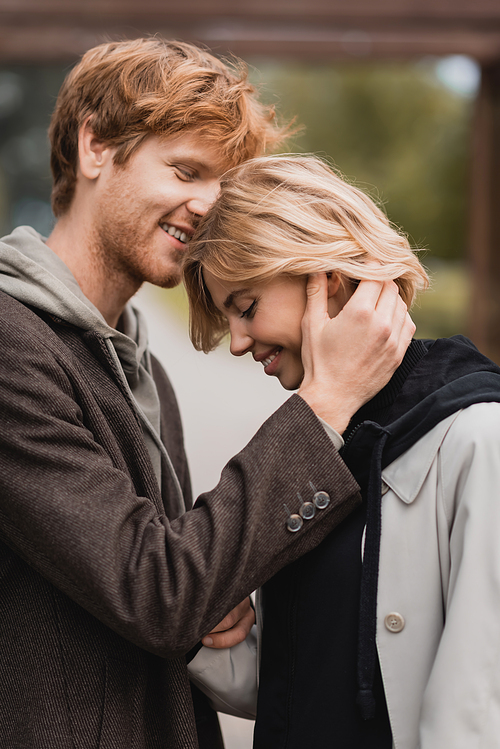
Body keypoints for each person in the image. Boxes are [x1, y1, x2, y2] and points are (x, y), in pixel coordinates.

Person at [0, 39, 415, 749]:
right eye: (187, 170)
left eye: (222, 186)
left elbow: (173, 583)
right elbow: (159, 590)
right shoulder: (12, 346)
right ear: (96, 145)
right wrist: (324, 405)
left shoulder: (138, 364)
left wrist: (218, 586)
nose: (207, 208)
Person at [183, 154, 500, 748]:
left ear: (323, 277)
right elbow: (311, 679)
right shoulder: (326, 436)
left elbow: (474, 713)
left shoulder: (477, 438)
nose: (237, 341)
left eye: (245, 307)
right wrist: (208, 624)